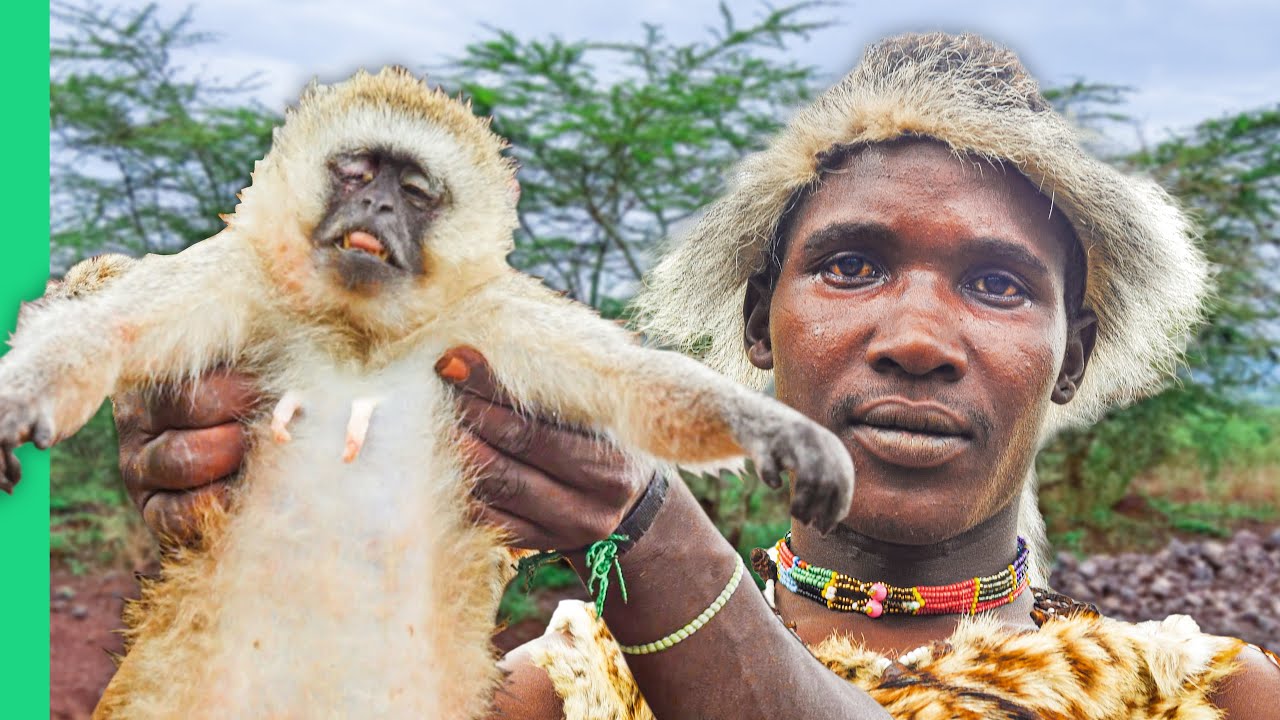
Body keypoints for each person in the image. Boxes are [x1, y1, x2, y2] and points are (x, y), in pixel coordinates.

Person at [114, 33, 1278, 718]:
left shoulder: (1196, 695)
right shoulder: (558, 693)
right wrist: (244, 560)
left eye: (997, 284)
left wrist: (653, 538)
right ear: (756, 324)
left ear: (1070, 354)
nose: (917, 337)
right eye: (851, 263)